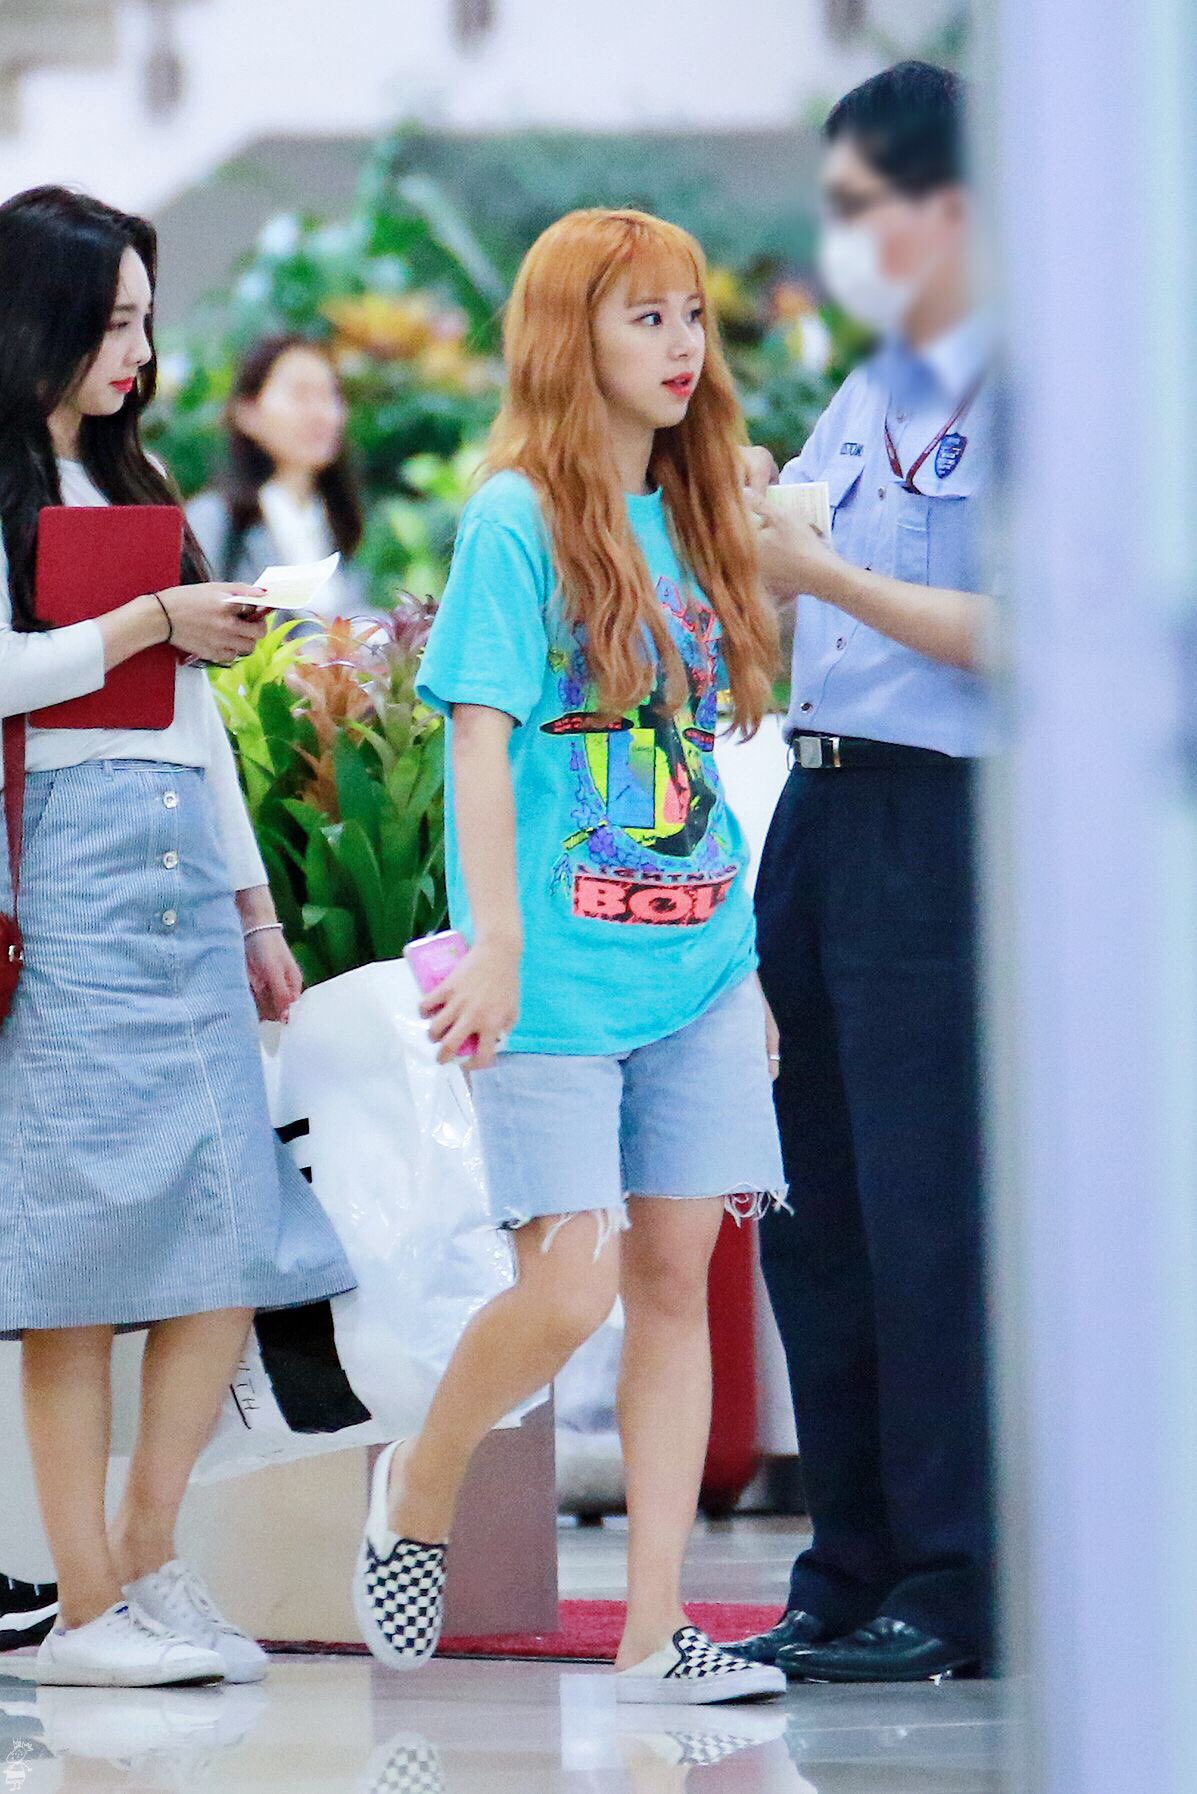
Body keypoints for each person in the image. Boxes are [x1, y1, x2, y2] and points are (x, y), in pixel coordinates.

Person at [352, 208, 787, 1705]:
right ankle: (423, 1473)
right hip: (553, 976)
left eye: (691, 314)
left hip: (702, 963)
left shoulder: (699, 509)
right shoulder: (514, 518)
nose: (682, 346)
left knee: (674, 1279)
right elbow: (478, 740)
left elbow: (701, 759)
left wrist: (747, 970)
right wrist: (498, 942)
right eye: (644, 318)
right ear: (569, 337)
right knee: (567, 1291)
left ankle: (659, 1630)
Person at [0, 187, 356, 1689]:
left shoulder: (137, 482)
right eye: (113, 323)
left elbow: (196, 722)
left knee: (229, 1232)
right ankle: (84, 1608)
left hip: (180, 872)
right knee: (76, 1265)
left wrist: (255, 907)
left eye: (146, 321)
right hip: (61, 879)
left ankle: (150, 1552)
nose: (137, 352)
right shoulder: (11, 489)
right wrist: (152, 618)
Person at [732, 61, 995, 1683]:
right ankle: (845, 1562)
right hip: (813, 816)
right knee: (810, 1209)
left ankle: (956, 1576)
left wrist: (818, 569)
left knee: (928, 1214)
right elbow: (784, 612)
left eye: (866, 200)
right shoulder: (867, 389)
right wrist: (744, 552)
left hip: (943, 827)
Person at [186, 333, 375, 630]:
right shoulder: (215, 519)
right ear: (247, 412)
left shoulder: (337, 518)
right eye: (300, 395)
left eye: (329, 395)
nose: (320, 413)